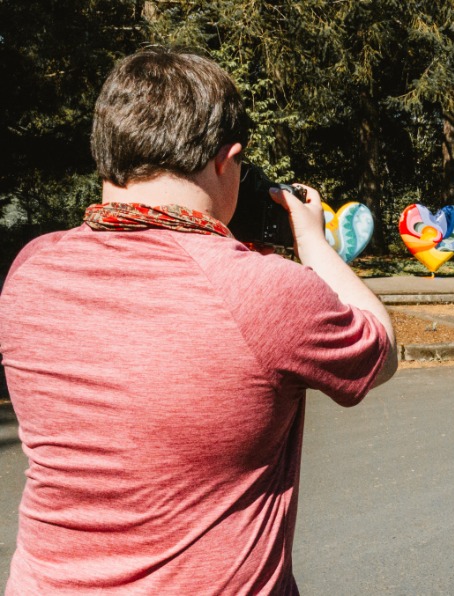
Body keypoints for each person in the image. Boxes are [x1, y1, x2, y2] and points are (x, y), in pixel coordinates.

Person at [0, 47, 397, 594]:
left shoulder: (30, 270)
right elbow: (381, 351)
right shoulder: (262, 290)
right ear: (225, 158)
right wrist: (315, 244)